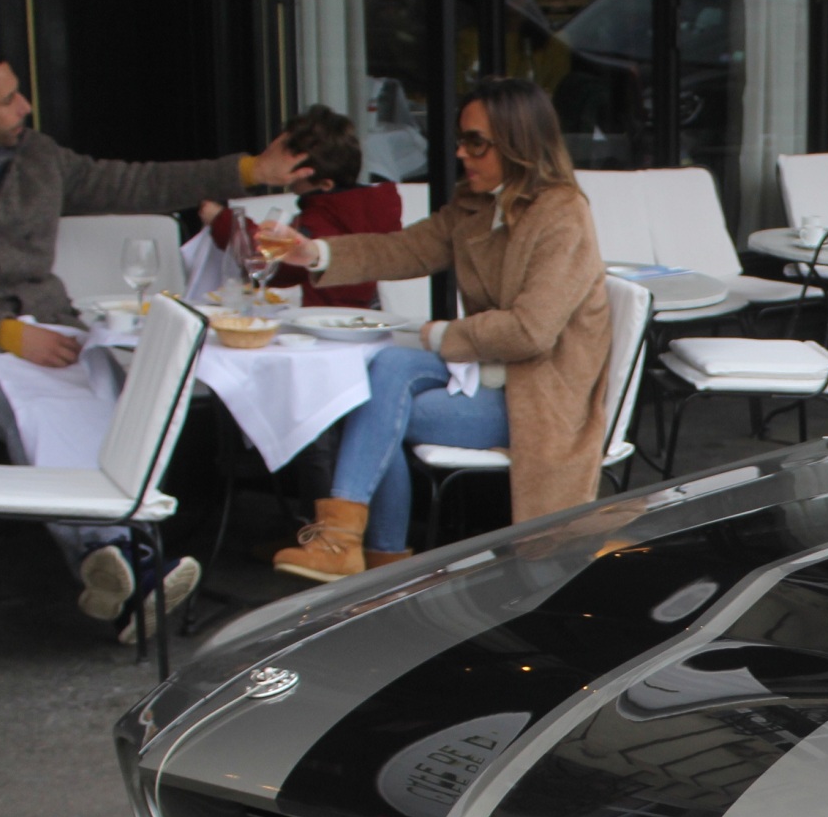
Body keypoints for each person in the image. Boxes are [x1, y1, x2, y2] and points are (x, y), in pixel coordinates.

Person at [0, 43, 313, 638]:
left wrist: (251, 172)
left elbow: (133, 184)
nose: (26, 105)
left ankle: (114, 563)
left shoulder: (37, 156)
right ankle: (125, 552)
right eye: (9, 97)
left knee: (118, 397)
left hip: (57, 333)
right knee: (40, 408)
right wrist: (9, 335)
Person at [255, 78, 609, 582]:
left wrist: (440, 334)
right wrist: (314, 253)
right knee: (385, 371)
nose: (462, 153)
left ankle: (372, 556)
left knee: (378, 406)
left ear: (519, 142)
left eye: (476, 142)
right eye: (462, 140)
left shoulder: (563, 215)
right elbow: (405, 249)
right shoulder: (477, 203)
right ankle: (361, 552)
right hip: (491, 375)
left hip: (542, 400)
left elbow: (532, 331)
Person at [197, 105, 403, 310]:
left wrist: (222, 220)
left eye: (297, 170)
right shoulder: (369, 207)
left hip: (327, 322)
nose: (288, 177)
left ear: (325, 184)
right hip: (365, 316)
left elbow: (275, 264)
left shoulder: (324, 217)